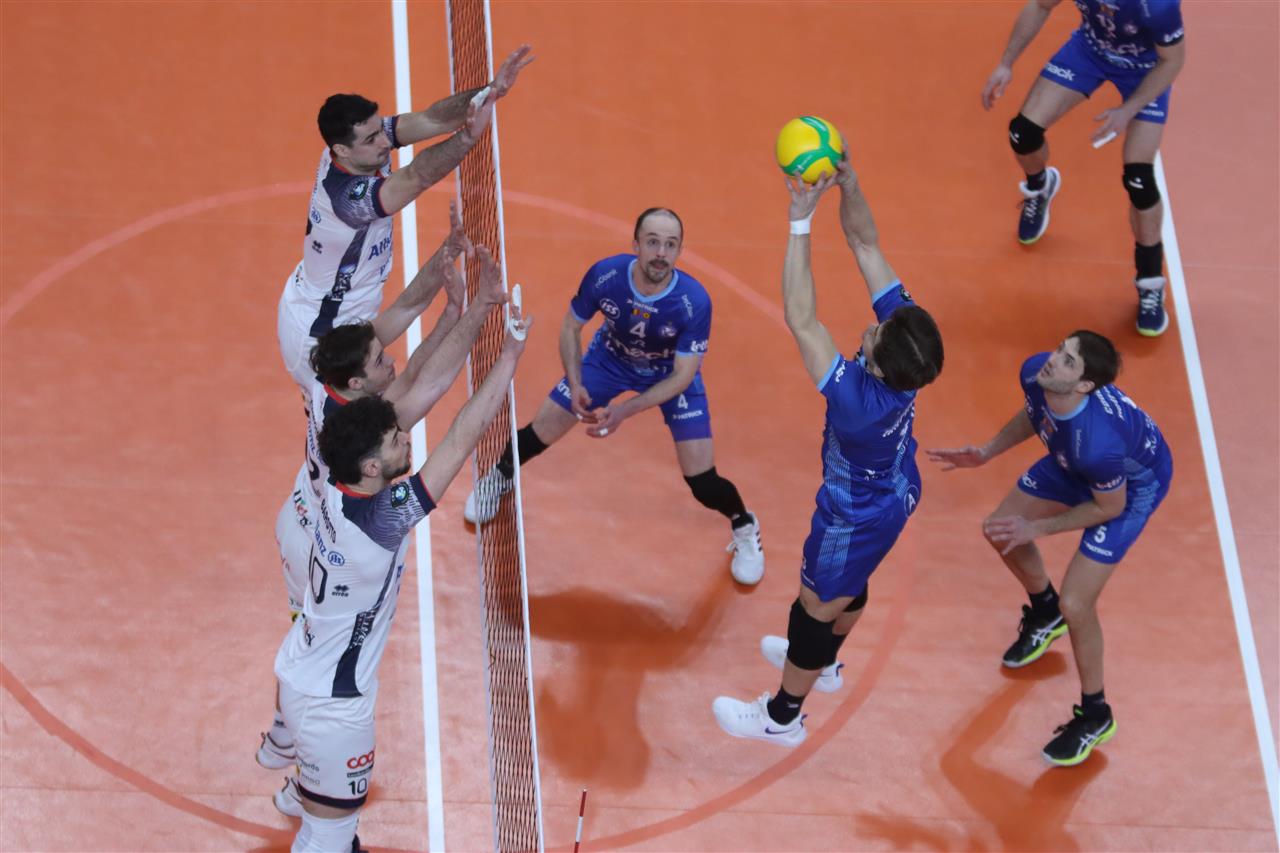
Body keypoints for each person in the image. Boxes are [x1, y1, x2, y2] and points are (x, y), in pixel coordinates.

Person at [259, 237, 511, 816]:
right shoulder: (362, 431)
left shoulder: (334, 389)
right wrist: (479, 316)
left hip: (302, 515)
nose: (389, 359)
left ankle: (284, 736)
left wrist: (453, 306)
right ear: (357, 385)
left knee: (308, 638)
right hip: (313, 539)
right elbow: (428, 387)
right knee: (322, 645)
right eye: (378, 362)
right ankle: (300, 754)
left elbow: (409, 359)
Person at [712, 152, 944, 746]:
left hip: (854, 514)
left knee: (814, 606)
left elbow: (801, 318)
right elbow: (866, 245)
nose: (872, 324)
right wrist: (851, 186)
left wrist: (800, 220)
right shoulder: (910, 351)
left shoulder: (857, 404)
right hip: (898, 487)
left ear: (877, 364)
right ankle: (827, 664)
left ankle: (782, 715)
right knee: (848, 585)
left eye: (875, 331)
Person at [463, 208, 767, 585]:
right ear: (635, 244)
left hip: (668, 375)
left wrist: (624, 411)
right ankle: (499, 477)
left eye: (670, 245)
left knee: (702, 481)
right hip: (610, 360)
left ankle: (744, 524)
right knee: (543, 428)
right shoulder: (606, 275)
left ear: (679, 250)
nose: (661, 253)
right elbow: (571, 328)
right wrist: (575, 382)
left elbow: (683, 375)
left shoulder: (694, 301)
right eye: (653, 242)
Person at [927, 330, 1173, 766]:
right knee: (999, 530)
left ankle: (1095, 715)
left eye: (1068, 361)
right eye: (1062, 349)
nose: (1054, 360)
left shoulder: (1097, 444)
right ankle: (1045, 611)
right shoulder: (1038, 373)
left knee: (1077, 602)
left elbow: (1108, 507)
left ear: (1084, 385)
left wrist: (1036, 528)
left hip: (1128, 491)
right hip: (1073, 463)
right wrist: (987, 452)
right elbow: (1035, 413)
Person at [277, 45, 534, 389]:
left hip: (334, 306)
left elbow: (433, 119)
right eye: (372, 138)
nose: (384, 142)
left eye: (380, 130)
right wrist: (468, 137)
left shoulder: (358, 148)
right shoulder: (347, 199)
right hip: (322, 336)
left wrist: (490, 91)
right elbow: (417, 176)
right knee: (369, 412)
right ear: (341, 150)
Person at [981, 0, 1186, 336]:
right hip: (1090, 52)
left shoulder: (1157, 5)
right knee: (1022, 133)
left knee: (1139, 180)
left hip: (1146, 70)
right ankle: (1040, 185)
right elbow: (1040, 6)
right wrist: (1006, 63)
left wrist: (1128, 110)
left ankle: (1150, 280)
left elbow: (1173, 60)